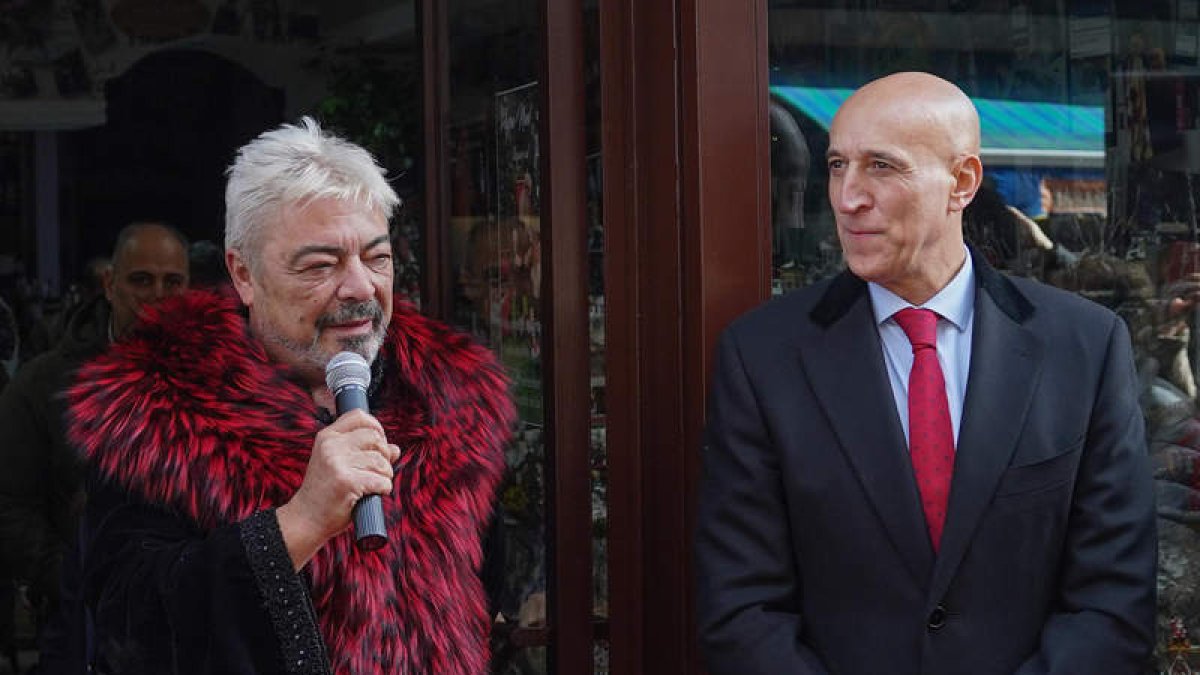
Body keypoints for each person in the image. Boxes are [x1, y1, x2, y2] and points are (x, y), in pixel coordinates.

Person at [695, 72, 1157, 675]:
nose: (847, 196)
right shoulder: (761, 357)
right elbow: (741, 607)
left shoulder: (1084, 347)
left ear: (961, 182)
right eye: (838, 165)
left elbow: (1114, 600)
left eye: (881, 167)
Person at [66, 117, 514, 674]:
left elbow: (488, 590)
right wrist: (297, 524)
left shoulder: (451, 401)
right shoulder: (152, 414)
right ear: (244, 274)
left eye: (377, 258)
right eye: (320, 265)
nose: (360, 288)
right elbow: (132, 627)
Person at [0, 221, 190, 671]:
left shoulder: (223, 380)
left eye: (172, 282)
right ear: (110, 284)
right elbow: (8, 504)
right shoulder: (44, 386)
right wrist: (75, 575)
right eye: (141, 280)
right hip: (82, 633)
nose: (157, 295)